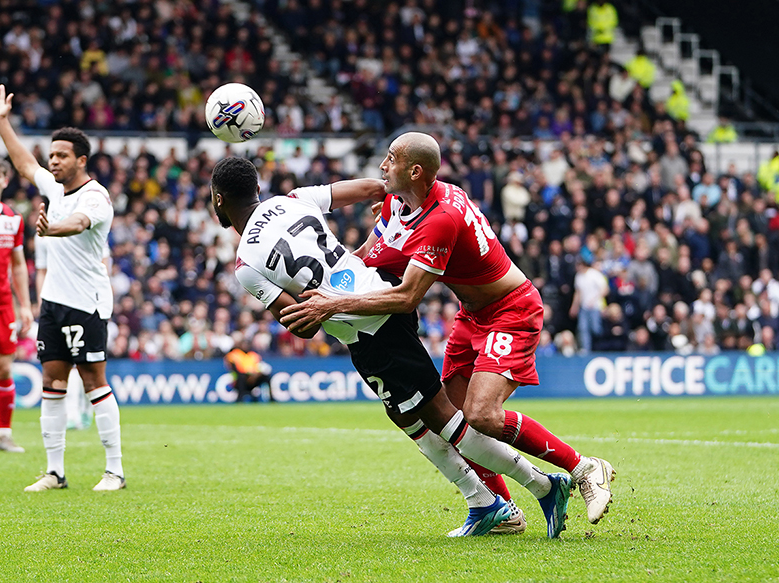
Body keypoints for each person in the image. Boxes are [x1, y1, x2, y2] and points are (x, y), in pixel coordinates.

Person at [211, 156, 573, 538]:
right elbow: (373, 187)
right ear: (256, 188)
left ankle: (543, 487)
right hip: (375, 298)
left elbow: (302, 323)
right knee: (407, 417)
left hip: (369, 324)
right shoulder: (295, 198)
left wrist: (315, 302)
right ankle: (482, 502)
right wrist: (392, 199)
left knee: (446, 422)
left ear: (219, 200)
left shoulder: (247, 264)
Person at [280, 132, 615, 526]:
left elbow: (407, 298)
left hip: (511, 309)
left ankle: (584, 468)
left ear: (415, 170)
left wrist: (333, 304)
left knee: (481, 415)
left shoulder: (441, 219)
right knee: (450, 420)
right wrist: (318, 278)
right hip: (471, 315)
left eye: (391, 159)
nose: (383, 166)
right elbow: (367, 258)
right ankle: (502, 510)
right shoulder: (398, 201)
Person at [0, 83, 125, 492]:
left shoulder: (96, 197)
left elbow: (77, 224)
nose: (53, 161)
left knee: (95, 381)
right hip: (54, 304)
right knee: (52, 384)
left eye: (61, 156)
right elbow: (25, 165)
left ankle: (114, 470)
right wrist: (2, 122)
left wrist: (51, 229)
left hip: (88, 304)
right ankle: (55, 472)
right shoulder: (52, 188)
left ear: (82, 159)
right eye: (52, 155)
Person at [0, 155, 33, 454]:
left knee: (2, 370)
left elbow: (18, 265)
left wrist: (24, 305)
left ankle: (4, 434)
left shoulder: (12, 219)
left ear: (4, 181)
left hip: (2, 307)